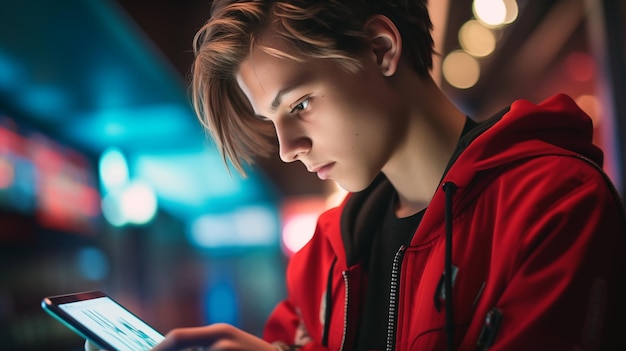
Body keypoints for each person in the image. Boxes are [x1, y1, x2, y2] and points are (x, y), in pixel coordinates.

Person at [88, 0, 626, 350]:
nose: (288, 147)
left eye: (298, 104)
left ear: (380, 50)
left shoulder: (553, 206)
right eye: (270, 120)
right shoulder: (323, 257)